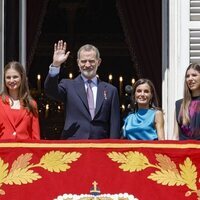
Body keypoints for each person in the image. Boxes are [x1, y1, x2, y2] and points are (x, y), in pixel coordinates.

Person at [44, 40, 121, 139]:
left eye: (92, 61)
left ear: (99, 62)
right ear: (78, 62)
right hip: (74, 145)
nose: (87, 65)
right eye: (83, 61)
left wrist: (112, 148)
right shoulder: (68, 85)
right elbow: (50, 91)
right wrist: (56, 65)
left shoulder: (111, 90)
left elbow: (114, 124)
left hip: (101, 145)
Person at [0, 61, 40, 140]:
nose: (11, 80)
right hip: (3, 151)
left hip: (25, 151)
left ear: (22, 78)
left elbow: (35, 136)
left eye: (15, 77)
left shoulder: (31, 104)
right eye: (8, 77)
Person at [173, 63, 200, 140]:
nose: (190, 78)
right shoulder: (179, 104)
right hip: (183, 150)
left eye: (194, 75)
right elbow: (175, 136)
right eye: (187, 76)